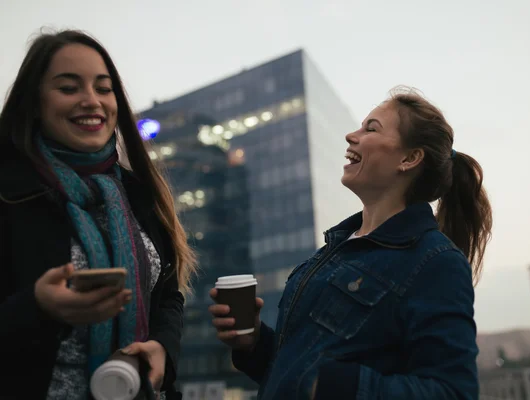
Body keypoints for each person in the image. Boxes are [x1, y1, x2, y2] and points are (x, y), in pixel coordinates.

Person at [209, 87, 492, 399]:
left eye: (371, 128)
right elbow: (296, 373)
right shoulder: (334, 250)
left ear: (410, 158)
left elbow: (452, 392)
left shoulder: (435, 261)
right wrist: (254, 342)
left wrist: (337, 386)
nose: (350, 135)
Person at [0, 30, 196, 399]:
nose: (92, 101)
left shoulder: (137, 192)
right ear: (35, 102)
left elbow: (168, 294)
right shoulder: (9, 192)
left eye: (103, 88)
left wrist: (163, 349)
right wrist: (38, 307)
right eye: (69, 88)